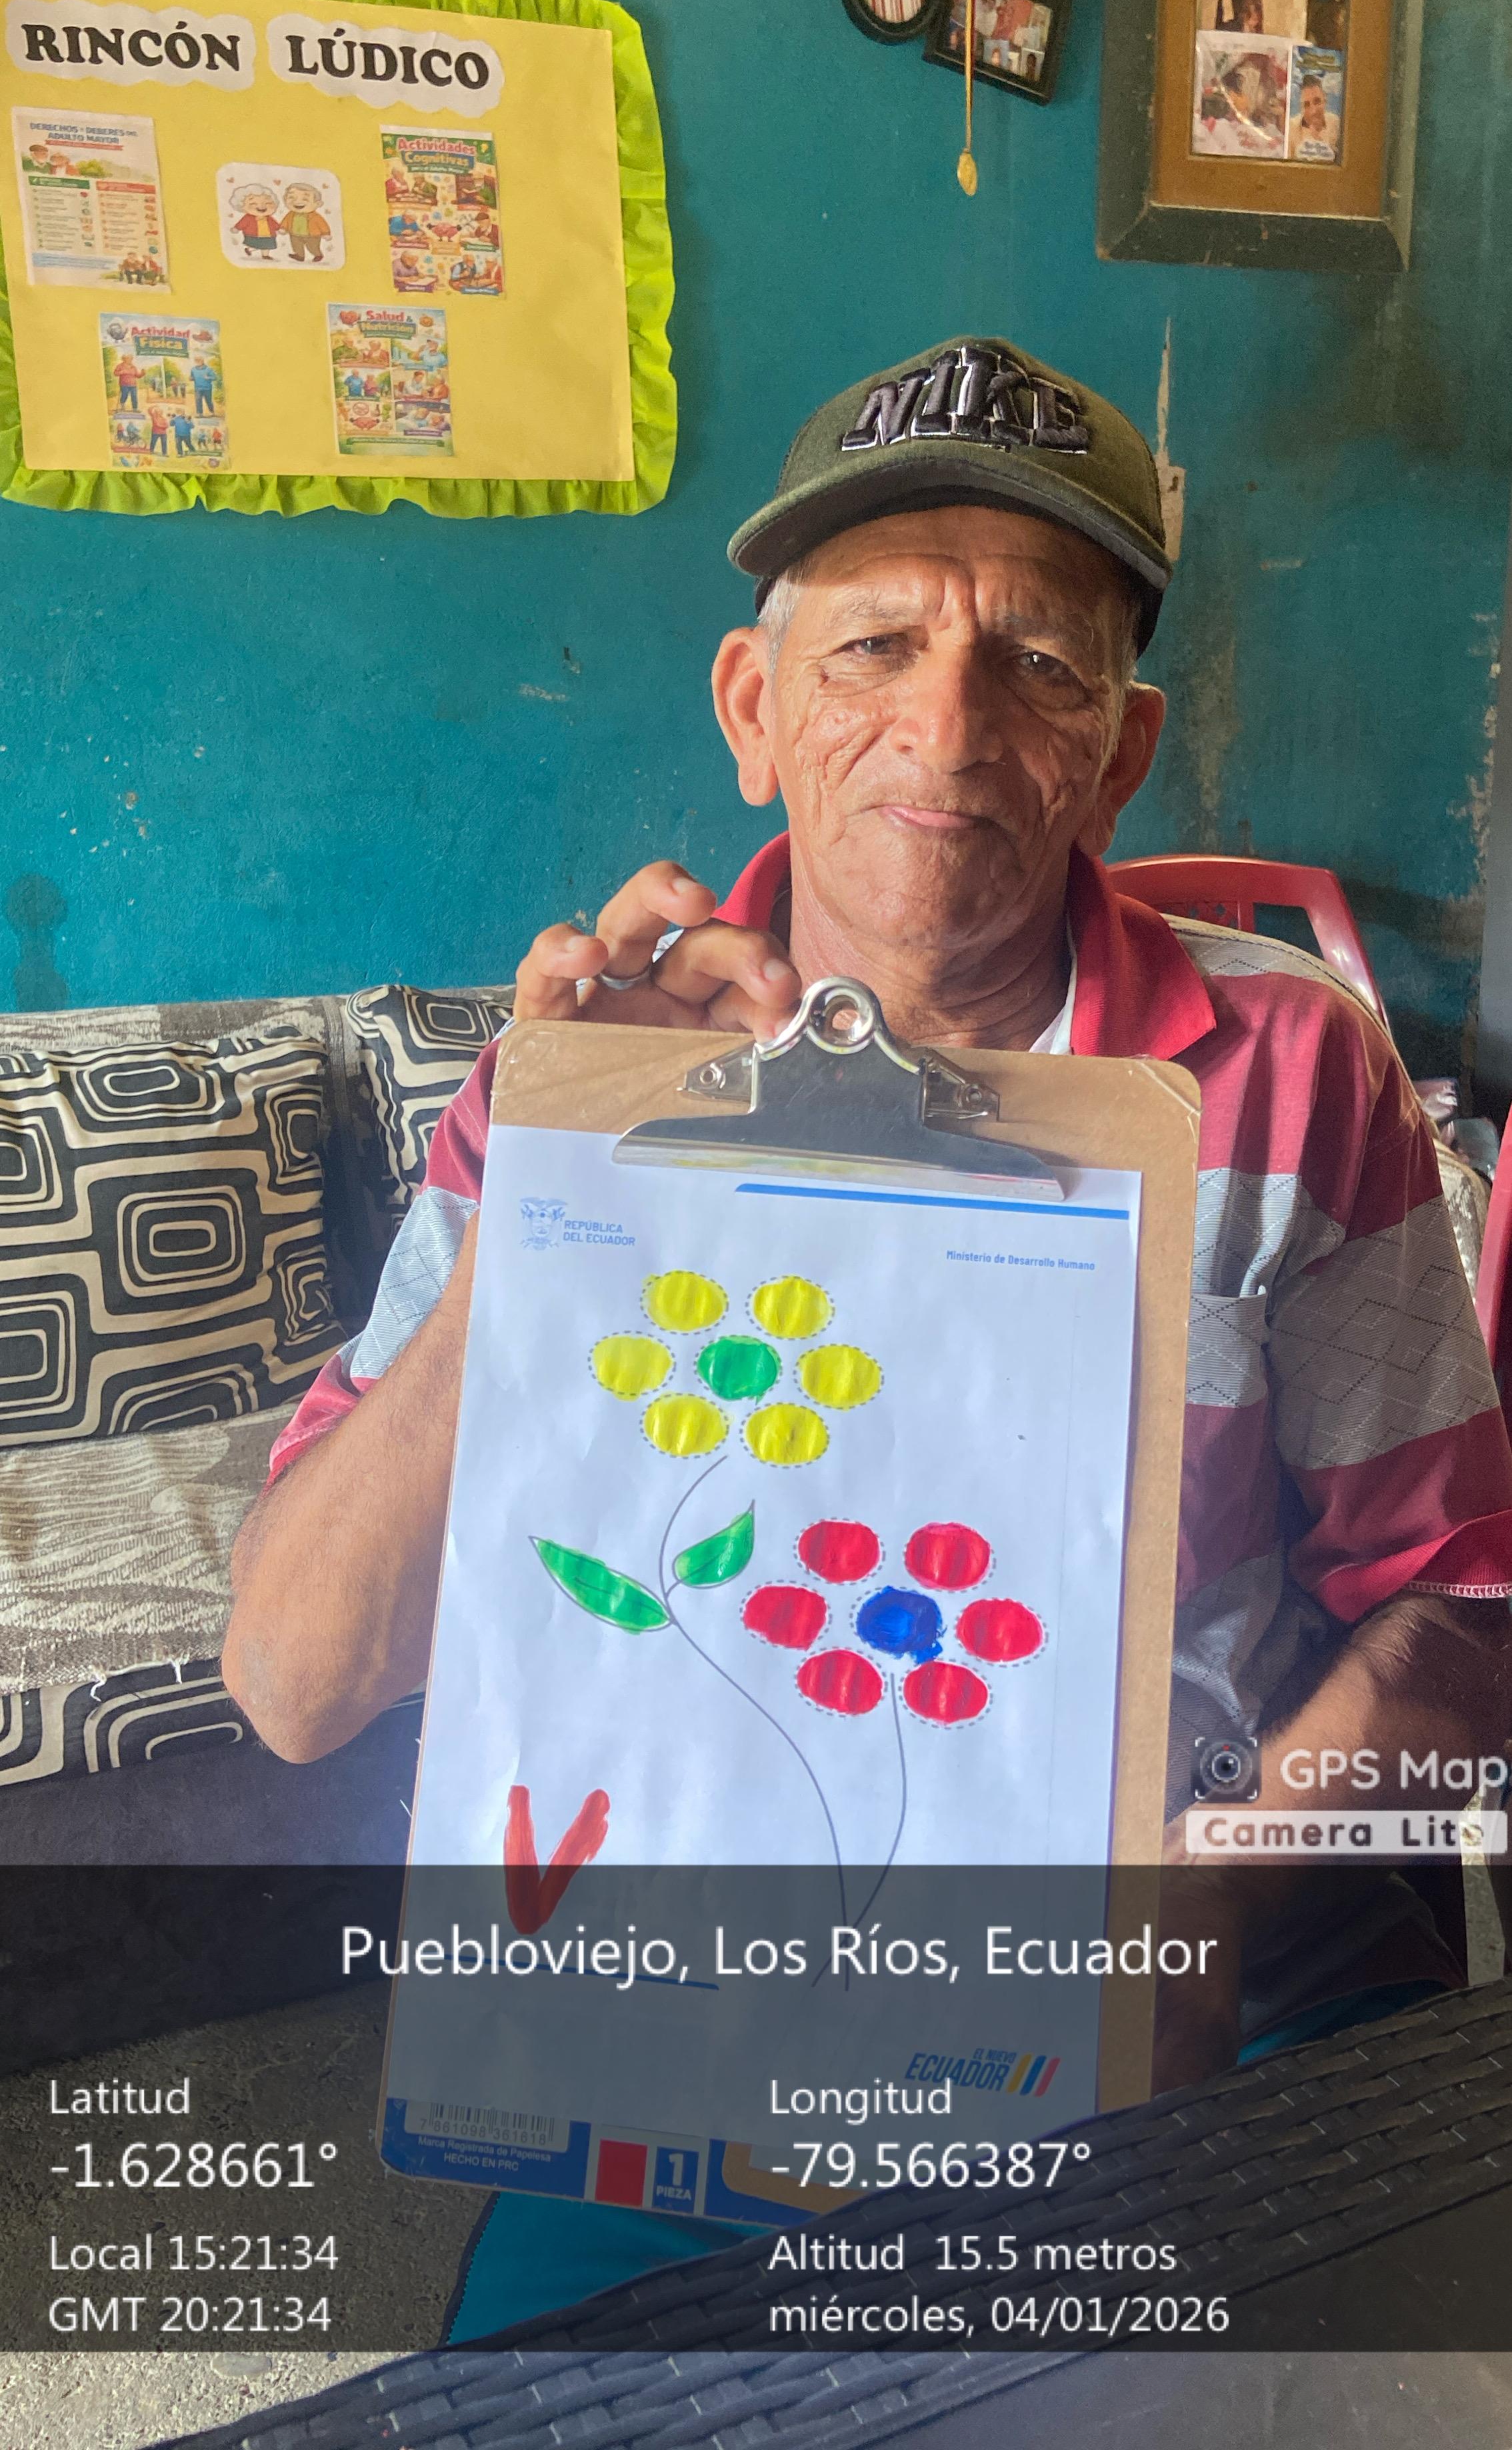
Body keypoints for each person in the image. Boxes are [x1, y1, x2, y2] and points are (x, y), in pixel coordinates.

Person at [223, 333, 1512, 2323]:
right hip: (691, 2021)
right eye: (874, 648)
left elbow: (1467, 1613)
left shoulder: (1289, 1071)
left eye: (1038, 664)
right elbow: (299, 1684)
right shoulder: (574, 1082)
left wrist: (1213, 1884)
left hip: (1215, 1993)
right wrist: (559, 1210)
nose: (949, 726)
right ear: (755, 710)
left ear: (1122, 756)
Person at [279, 179, 331, 263]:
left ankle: (318, 255)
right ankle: (300, 256)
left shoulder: (316, 217)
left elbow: (322, 225)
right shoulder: (291, 214)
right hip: (295, 234)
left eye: (305, 199)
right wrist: (283, 228)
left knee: (312, 247)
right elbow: (286, 222)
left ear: (317, 204)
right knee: (296, 246)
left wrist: (326, 233)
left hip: (312, 236)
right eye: (292, 198)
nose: (297, 202)